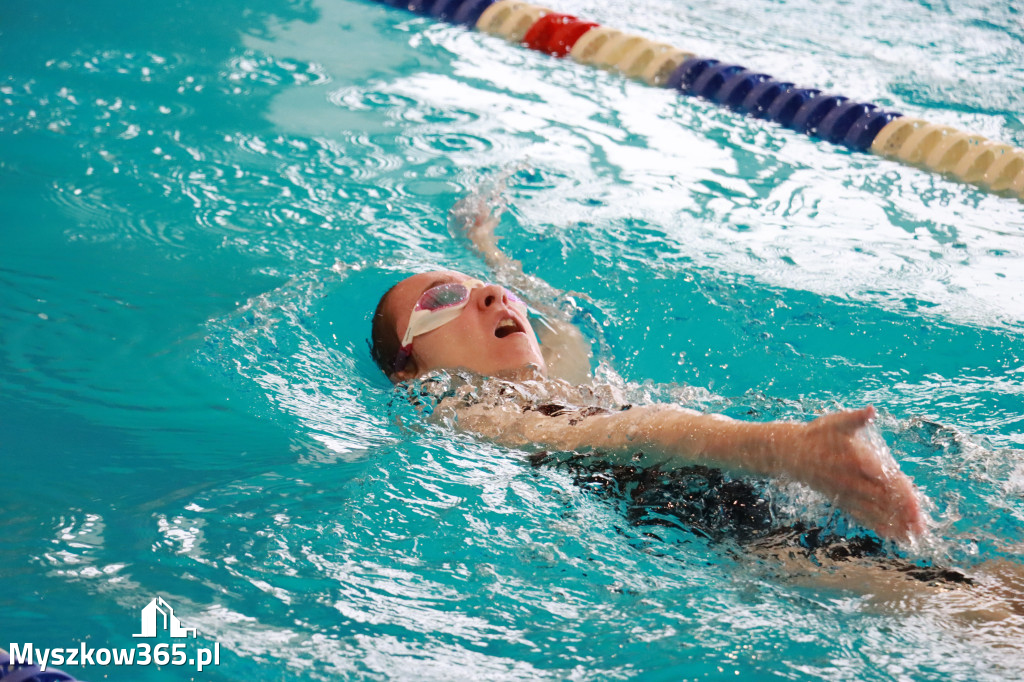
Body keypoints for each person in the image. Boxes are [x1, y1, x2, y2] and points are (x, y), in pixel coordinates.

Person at [370, 188, 926, 544]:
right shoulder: (468, 414)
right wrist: (786, 448)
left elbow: (560, 319)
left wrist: (487, 250)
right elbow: (619, 431)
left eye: (492, 289)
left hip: (739, 489)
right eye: (445, 298)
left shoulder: (559, 379)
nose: (493, 296)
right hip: (725, 531)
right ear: (409, 370)